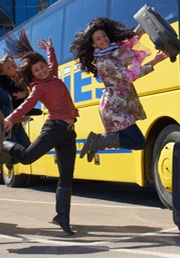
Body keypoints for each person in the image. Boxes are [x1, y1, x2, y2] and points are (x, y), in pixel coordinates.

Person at [0, 30, 79, 236]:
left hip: (69, 132)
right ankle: (2, 145)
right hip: (54, 128)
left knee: (66, 177)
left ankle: (62, 217)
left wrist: (50, 50)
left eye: (43, 67)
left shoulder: (52, 76)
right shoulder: (38, 87)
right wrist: (10, 119)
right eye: (37, 70)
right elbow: (27, 105)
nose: (42, 71)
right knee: (26, 158)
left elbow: (54, 66)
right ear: (32, 74)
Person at [70, 17, 168, 161]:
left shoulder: (114, 50)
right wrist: (154, 62)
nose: (103, 40)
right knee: (139, 142)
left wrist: (144, 22)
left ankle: (98, 141)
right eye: (98, 39)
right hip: (113, 107)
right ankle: (97, 141)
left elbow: (129, 43)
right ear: (93, 44)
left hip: (121, 103)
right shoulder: (104, 61)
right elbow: (130, 76)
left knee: (137, 141)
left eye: (104, 35)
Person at [0, 54, 37, 168]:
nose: (13, 69)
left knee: (28, 152)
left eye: (12, 66)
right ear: (2, 73)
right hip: (7, 126)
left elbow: (29, 98)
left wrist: (24, 95)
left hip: (18, 124)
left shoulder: (17, 83)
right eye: (8, 68)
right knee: (15, 156)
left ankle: (2, 153)